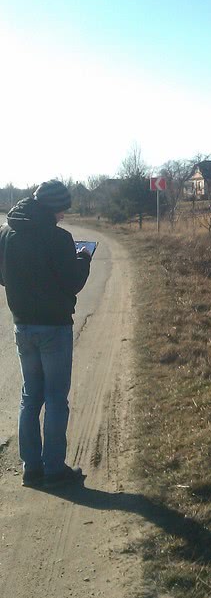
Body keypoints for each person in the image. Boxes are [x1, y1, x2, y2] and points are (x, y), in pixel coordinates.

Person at [0, 180, 92, 488]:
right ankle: (54, 469)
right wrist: (84, 259)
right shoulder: (59, 238)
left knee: (30, 396)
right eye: (64, 207)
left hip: (22, 324)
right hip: (53, 326)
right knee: (55, 398)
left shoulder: (6, 232)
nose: (65, 213)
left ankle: (32, 468)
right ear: (54, 207)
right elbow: (73, 282)